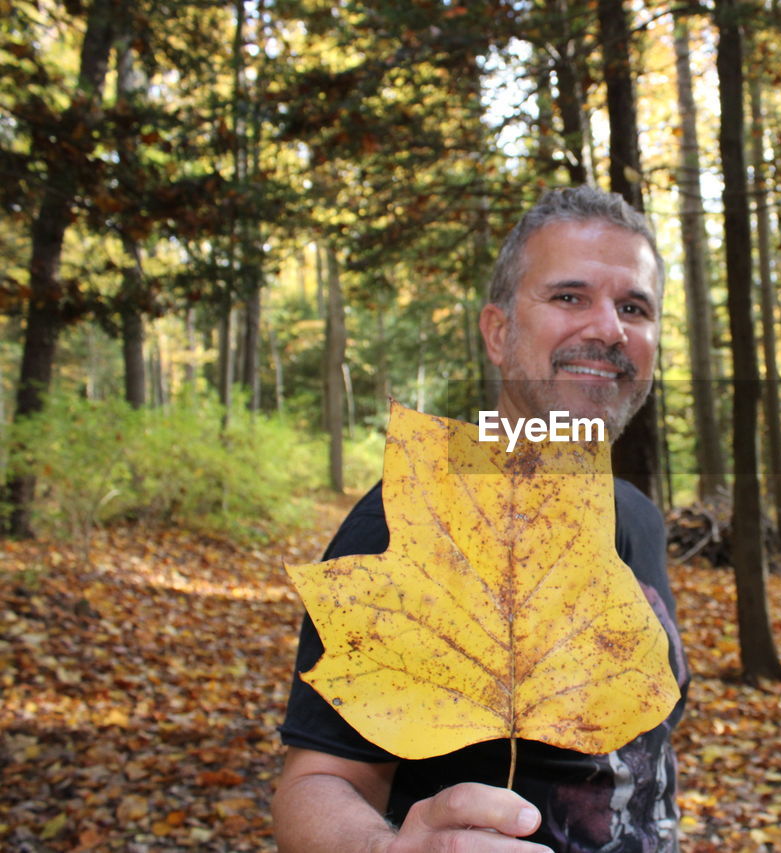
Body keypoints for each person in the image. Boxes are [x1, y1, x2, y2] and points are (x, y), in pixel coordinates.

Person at [272, 186, 689, 853]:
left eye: (633, 307)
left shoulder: (635, 515)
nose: (609, 328)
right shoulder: (417, 512)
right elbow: (314, 781)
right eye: (569, 297)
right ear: (498, 332)